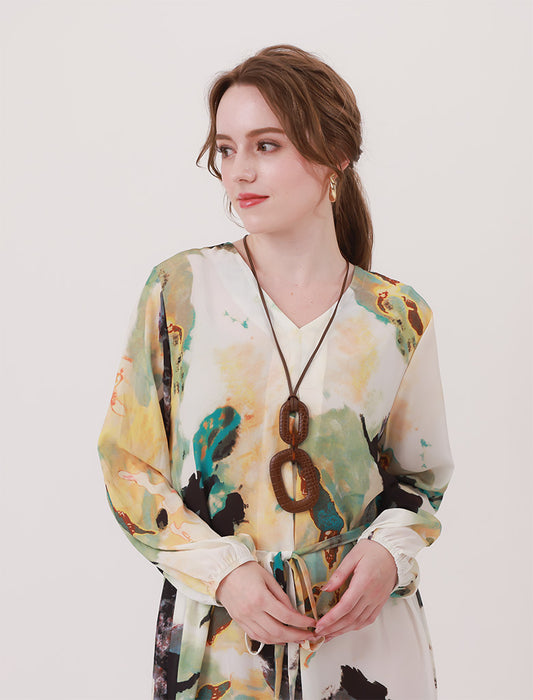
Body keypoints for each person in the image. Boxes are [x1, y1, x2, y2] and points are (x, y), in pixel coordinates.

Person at [98, 44, 454, 700]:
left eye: (266, 145)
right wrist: (224, 573)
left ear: (335, 153)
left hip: (362, 642)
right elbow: (128, 466)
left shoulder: (395, 317)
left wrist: (388, 554)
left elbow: (419, 481)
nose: (239, 171)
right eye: (226, 149)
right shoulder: (181, 292)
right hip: (222, 646)